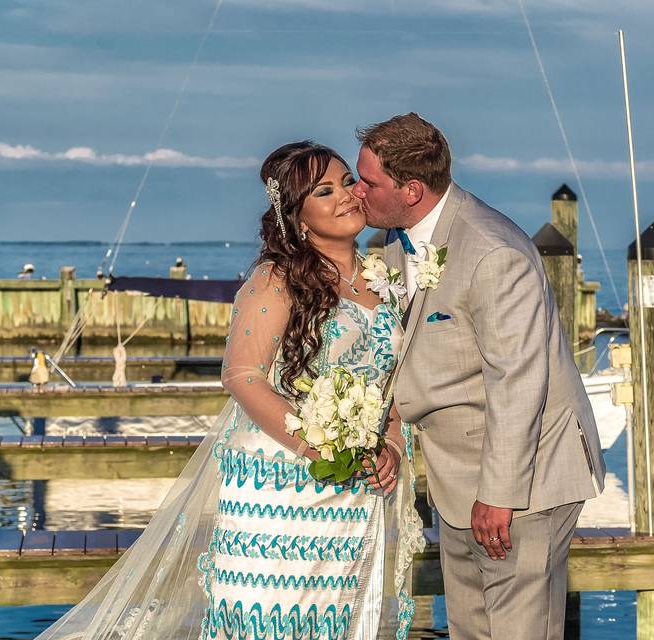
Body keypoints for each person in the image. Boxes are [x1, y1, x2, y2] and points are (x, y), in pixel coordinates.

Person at [36, 141, 424, 640]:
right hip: (282, 483)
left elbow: (389, 380)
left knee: (338, 619)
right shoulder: (275, 279)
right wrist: (323, 447)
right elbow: (241, 376)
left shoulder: (385, 281)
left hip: (357, 491)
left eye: (348, 181)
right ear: (297, 217)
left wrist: (389, 444)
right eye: (324, 191)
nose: (346, 196)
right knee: (273, 619)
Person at [352, 113, 605, 639]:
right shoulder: (398, 241)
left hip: (522, 484)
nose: (358, 191)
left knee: (519, 630)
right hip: (456, 479)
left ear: (412, 189)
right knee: (472, 630)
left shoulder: (493, 253)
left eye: (368, 181)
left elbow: (519, 380)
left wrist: (499, 495)